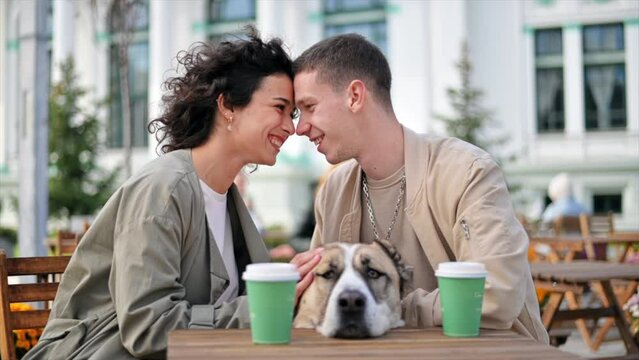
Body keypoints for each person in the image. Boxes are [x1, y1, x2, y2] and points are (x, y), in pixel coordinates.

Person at [24, 27, 321, 359]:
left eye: (292, 113)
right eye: (280, 108)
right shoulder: (163, 189)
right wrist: (262, 307)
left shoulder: (227, 201)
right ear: (228, 106)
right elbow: (148, 328)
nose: (291, 126)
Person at [293, 34, 548, 343]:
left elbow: (494, 292)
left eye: (309, 107)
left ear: (355, 96)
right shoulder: (333, 190)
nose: (300, 127)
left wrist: (390, 309)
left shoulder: (467, 171)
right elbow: (316, 298)